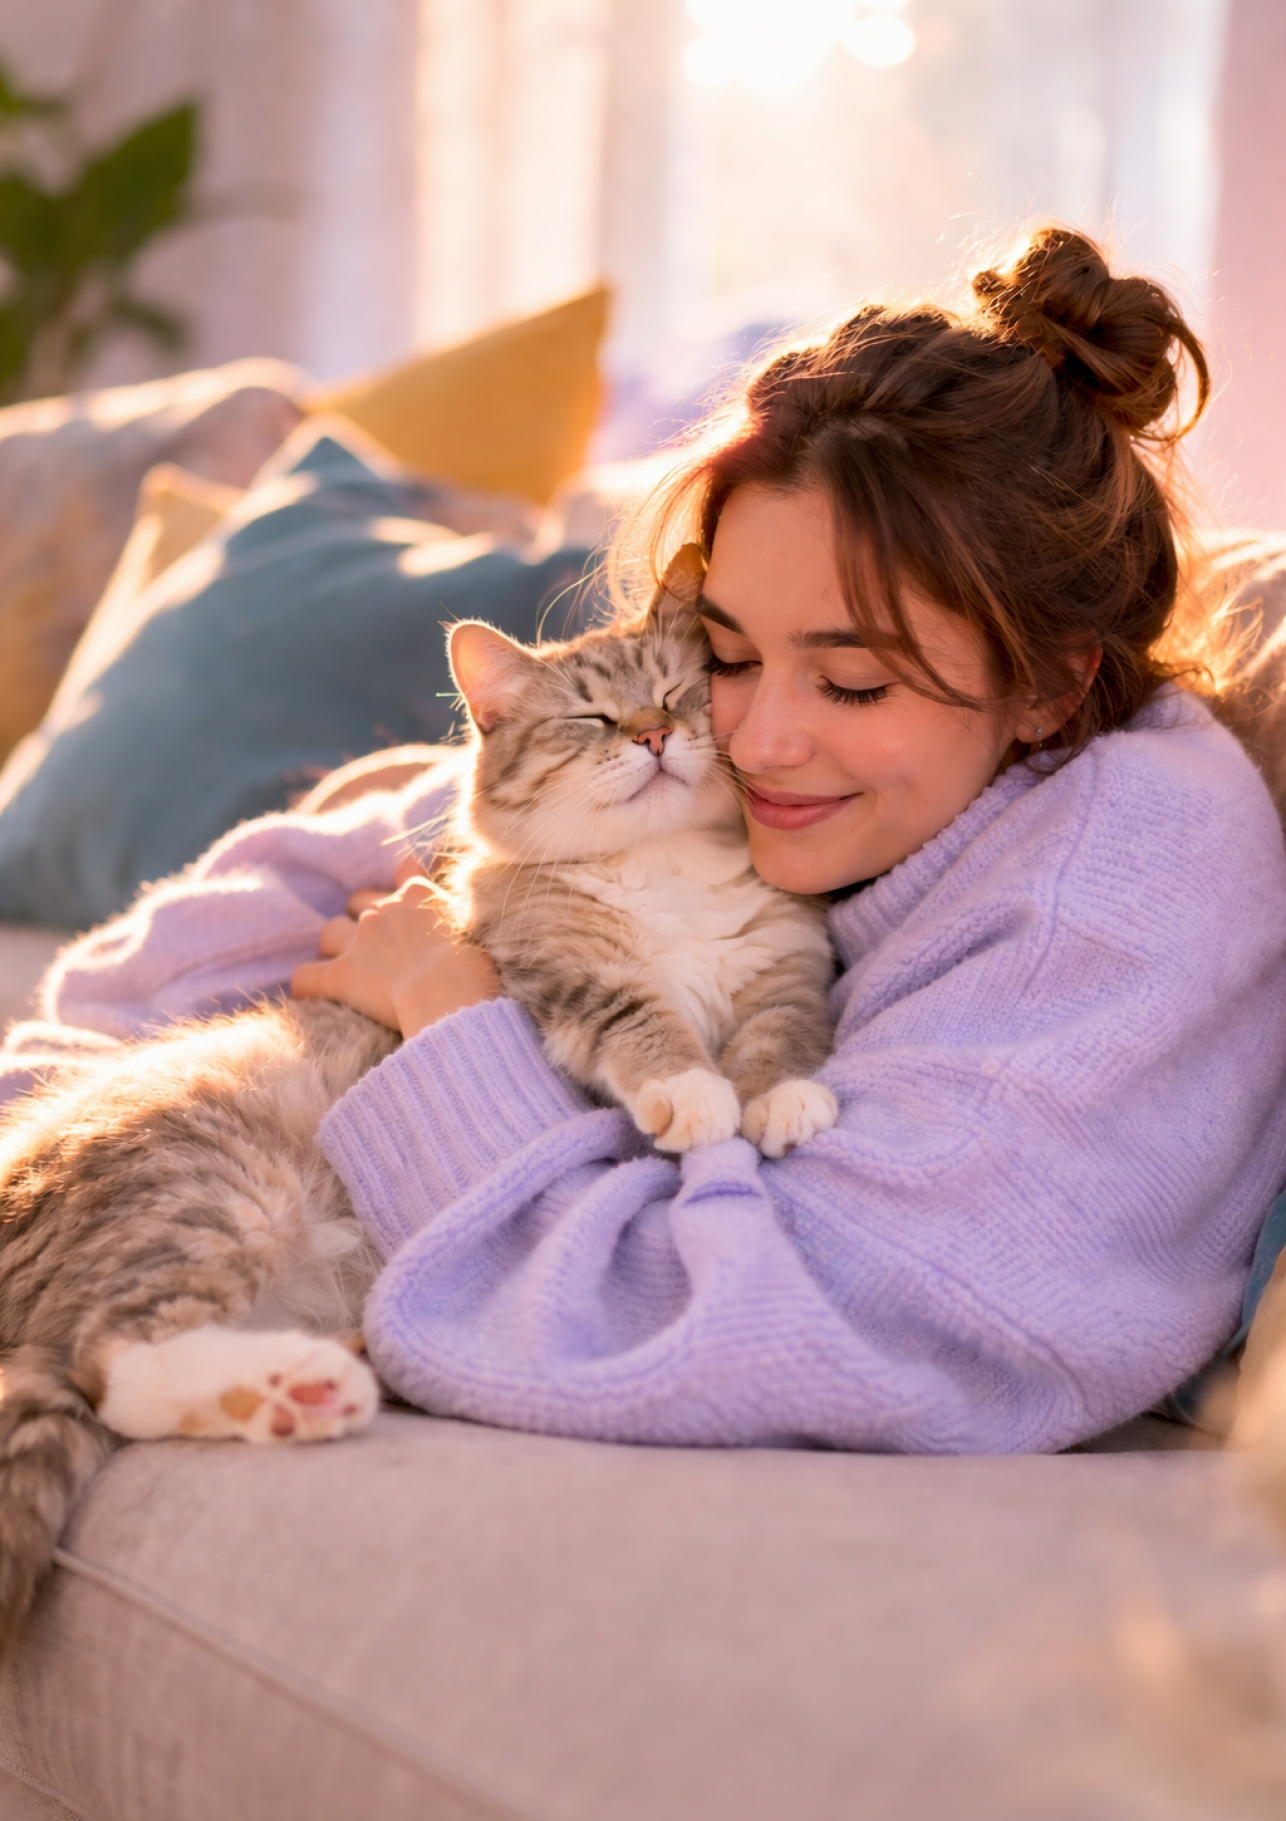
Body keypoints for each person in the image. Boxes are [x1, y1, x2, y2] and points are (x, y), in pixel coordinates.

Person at [19, 228, 1286, 1452]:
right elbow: (156, 967)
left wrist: (452, 1025)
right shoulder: (739, 756)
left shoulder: (1121, 889)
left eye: (849, 685)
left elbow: (735, 1323)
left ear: (1049, 687)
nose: (760, 739)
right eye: (728, 655)